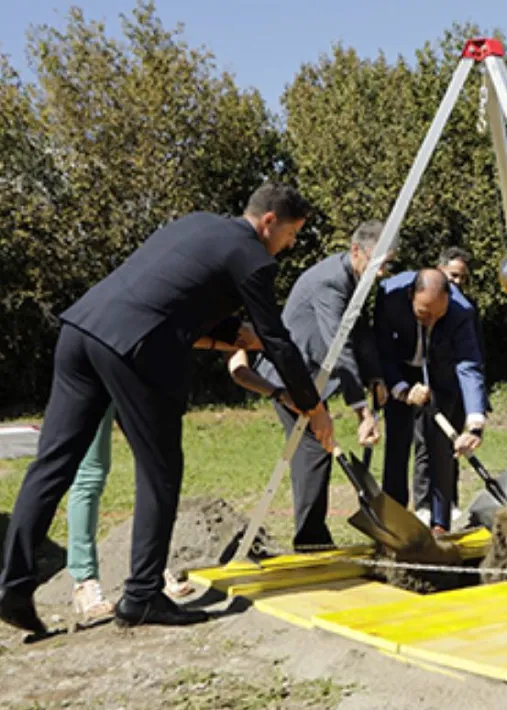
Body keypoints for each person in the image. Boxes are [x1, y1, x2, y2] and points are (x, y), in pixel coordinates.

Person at [0, 183, 333, 634]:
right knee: (161, 471)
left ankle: (13, 587)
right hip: (132, 348)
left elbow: (174, 296)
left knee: (53, 464)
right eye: (291, 234)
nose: (290, 245)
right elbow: (277, 339)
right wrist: (314, 407)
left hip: (81, 330)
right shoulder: (252, 256)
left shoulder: (198, 224)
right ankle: (141, 596)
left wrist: (236, 333)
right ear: (269, 221)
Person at [67, 328, 258, 626]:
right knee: (91, 473)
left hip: (134, 367)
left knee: (153, 469)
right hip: (97, 361)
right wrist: (236, 339)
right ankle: (85, 580)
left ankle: (151, 572)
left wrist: (236, 341)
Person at [255, 220, 392, 551]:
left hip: (314, 373)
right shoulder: (330, 282)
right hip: (289, 375)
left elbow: (360, 331)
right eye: (377, 262)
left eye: (387, 264)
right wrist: (361, 412)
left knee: (317, 447)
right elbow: (338, 344)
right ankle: (310, 539)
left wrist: (374, 377)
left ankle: (313, 535)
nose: (381, 273)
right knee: (314, 448)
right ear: (356, 251)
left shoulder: (356, 279)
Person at [374, 269, 488, 535]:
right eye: (424, 314)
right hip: (401, 370)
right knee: (397, 443)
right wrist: (401, 389)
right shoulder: (389, 296)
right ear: (410, 296)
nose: (431, 322)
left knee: (441, 448)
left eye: (439, 315)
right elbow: (383, 349)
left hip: (440, 375)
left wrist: (475, 422)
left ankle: (440, 524)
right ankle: (394, 521)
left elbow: (469, 364)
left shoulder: (461, 311)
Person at [412, 246, 488, 525]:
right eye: (453, 275)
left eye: (462, 278)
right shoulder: (417, 297)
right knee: (424, 445)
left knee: (451, 445)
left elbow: (470, 360)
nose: (457, 282)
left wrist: (476, 416)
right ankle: (423, 504)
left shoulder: (462, 310)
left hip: (452, 386)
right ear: (439, 270)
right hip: (420, 386)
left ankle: (447, 502)